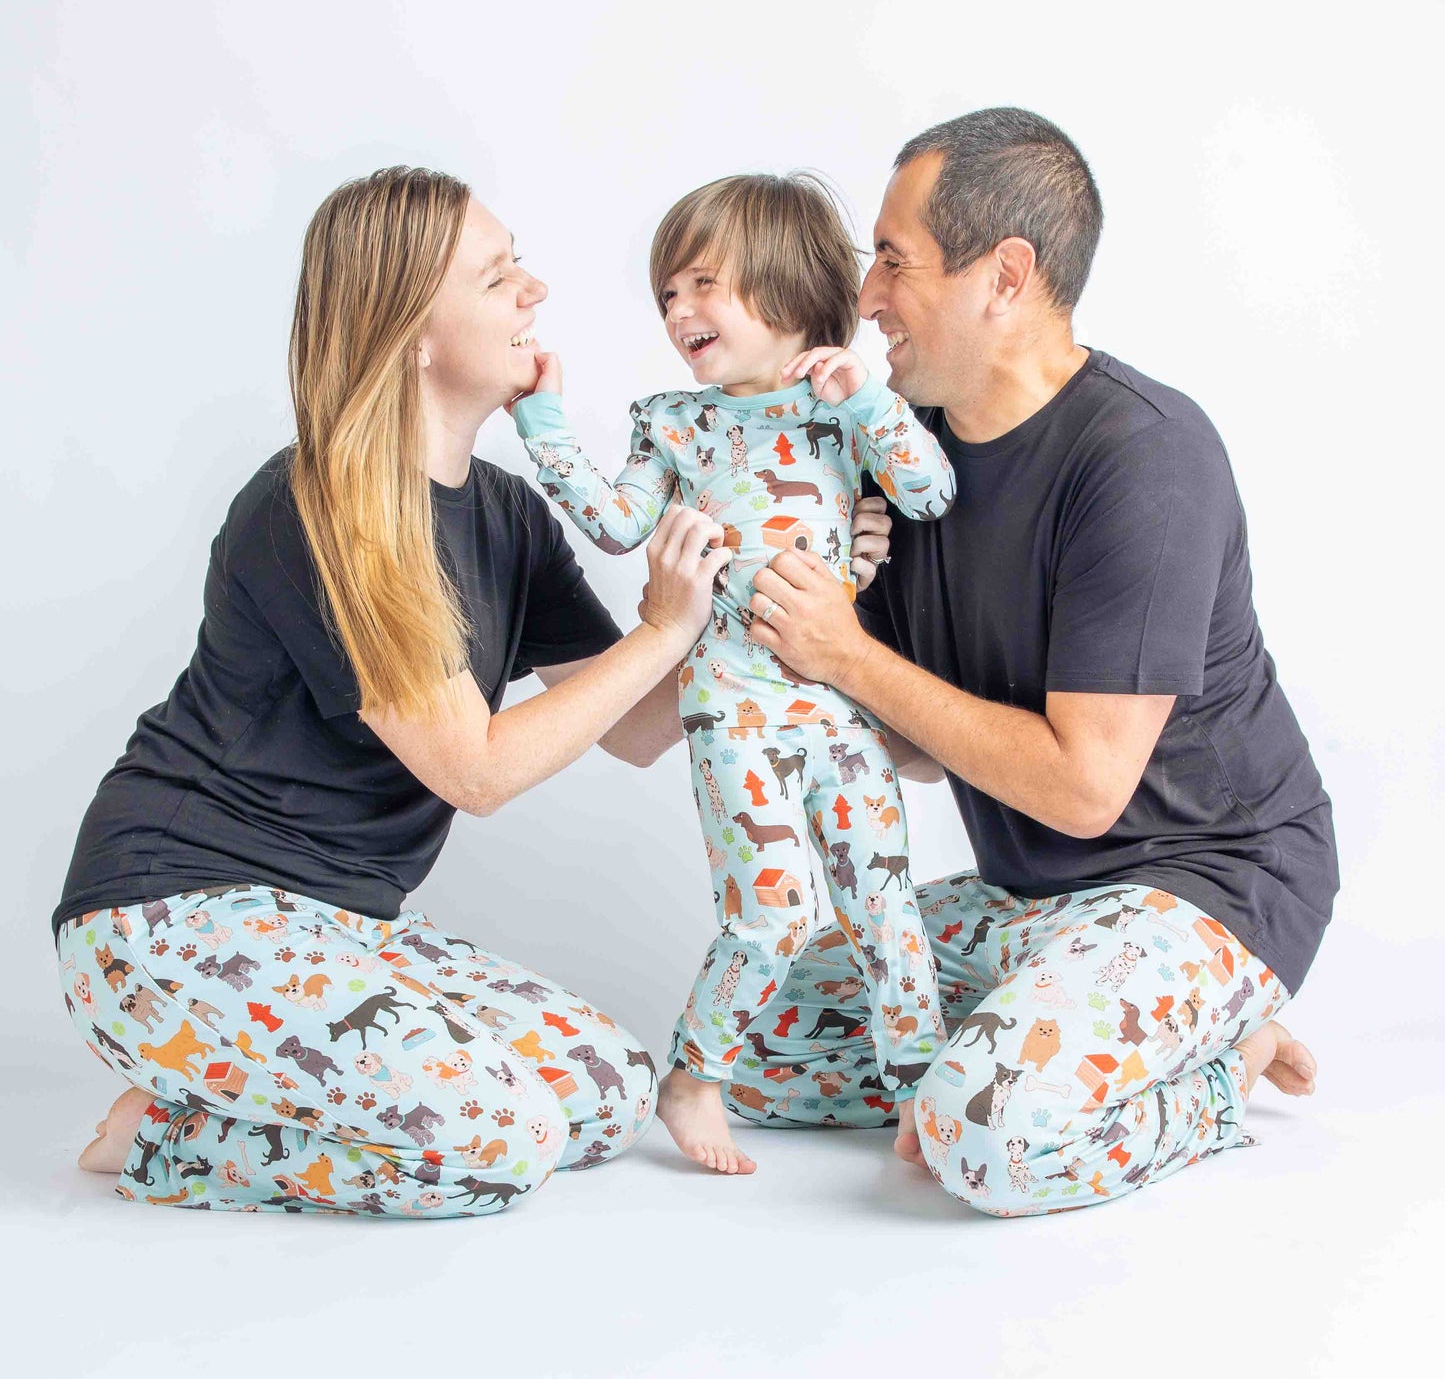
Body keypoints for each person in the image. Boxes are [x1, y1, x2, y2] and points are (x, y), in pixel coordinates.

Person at [52, 166, 886, 1217]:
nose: (533, 290)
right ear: (413, 334)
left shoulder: (503, 513)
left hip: (348, 923)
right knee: (504, 1143)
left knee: (610, 1090)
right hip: (167, 913)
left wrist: (794, 585)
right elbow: (476, 769)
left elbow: (632, 726)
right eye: (497, 278)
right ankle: (164, 1136)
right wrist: (663, 624)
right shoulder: (321, 508)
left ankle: (255, 1097)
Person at [724, 108, 1335, 1216]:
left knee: (979, 1136)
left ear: (1004, 275)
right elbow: (915, 748)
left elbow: (1083, 786)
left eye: (894, 261)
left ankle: (1217, 1069)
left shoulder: (1144, 457)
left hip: (1205, 884)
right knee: (751, 1047)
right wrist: (808, 606)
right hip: (1031, 896)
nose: (865, 300)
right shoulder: (908, 463)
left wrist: (847, 654)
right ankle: (1059, 1017)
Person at [509, 173, 955, 1174]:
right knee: (771, 912)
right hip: (730, 714)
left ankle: (917, 1098)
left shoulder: (841, 406)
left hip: (841, 711)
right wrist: (542, 419)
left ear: (786, 289)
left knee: (888, 912)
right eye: (666, 293)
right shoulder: (669, 421)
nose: (677, 312)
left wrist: (872, 402)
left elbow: (927, 493)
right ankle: (693, 1076)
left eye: (701, 284)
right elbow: (619, 523)